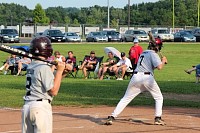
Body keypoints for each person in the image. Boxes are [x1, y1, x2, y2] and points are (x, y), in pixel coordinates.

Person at [104, 37, 168, 126]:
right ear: (158, 46)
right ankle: (158, 118)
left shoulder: (143, 53)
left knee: (126, 98)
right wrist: (163, 61)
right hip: (147, 78)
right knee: (159, 97)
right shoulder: (153, 54)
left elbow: (150, 66)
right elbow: (159, 67)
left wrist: (161, 61)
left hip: (136, 77)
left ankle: (112, 117)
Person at [22, 36, 65, 133]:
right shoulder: (44, 67)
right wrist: (59, 71)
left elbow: (49, 80)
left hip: (27, 107)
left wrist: (62, 72)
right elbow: (53, 91)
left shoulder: (31, 65)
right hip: (40, 108)